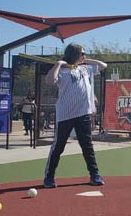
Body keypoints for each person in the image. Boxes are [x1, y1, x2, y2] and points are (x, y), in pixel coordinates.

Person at [42, 43, 107, 188]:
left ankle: (94, 174)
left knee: (87, 146)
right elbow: (49, 81)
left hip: (82, 113)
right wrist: (59, 64)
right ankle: (49, 177)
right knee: (58, 147)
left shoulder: (86, 69)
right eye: (81, 53)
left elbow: (103, 65)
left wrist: (86, 60)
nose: (84, 55)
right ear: (74, 54)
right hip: (65, 114)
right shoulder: (62, 70)